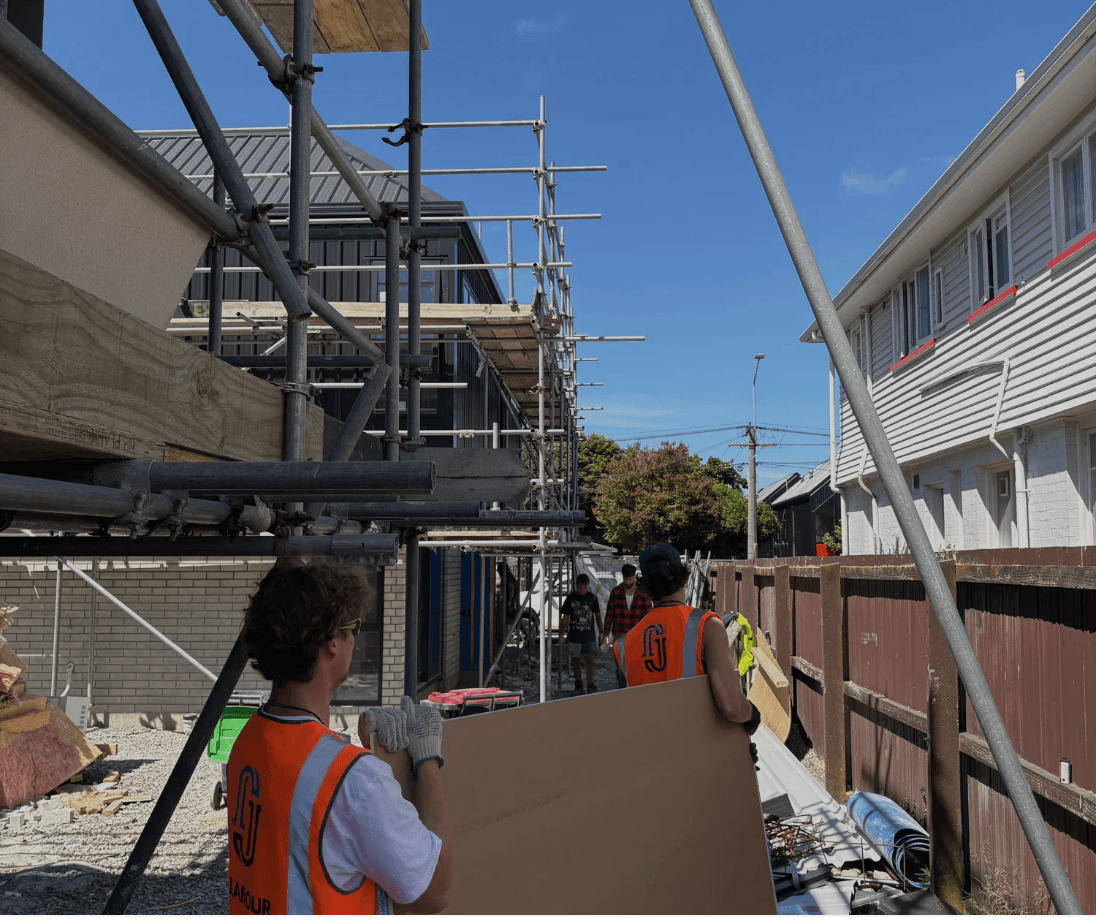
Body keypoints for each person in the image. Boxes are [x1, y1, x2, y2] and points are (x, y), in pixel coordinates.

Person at [227, 560, 453, 915]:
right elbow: (433, 894)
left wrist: (364, 754)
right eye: (354, 628)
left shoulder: (248, 738)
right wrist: (426, 759)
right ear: (332, 642)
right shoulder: (354, 783)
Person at [613, 543, 760, 738]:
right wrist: (751, 715)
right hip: (695, 746)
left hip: (649, 749)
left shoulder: (623, 645)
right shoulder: (707, 626)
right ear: (684, 579)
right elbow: (732, 707)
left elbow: (626, 713)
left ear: (644, 588)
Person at [558, 573, 604, 695]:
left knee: (590, 661)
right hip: (574, 636)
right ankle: (578, 684)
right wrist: (561, 634)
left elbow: (598, 616)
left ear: (587, 586)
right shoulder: (570, 599)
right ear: (576, 585)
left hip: (589, 637)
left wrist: (601, 631)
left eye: (584, 588)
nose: (582, 590)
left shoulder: (592, 598)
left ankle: (591, 684)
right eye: (579, 588)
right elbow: (565, 618)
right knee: (576, 661)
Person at [602, 563, 650, 647]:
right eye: (625, 579)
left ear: (634, 576)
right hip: (619, 633)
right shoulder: (616, 592)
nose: (627, 582)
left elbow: (648, 614)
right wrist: (606, 634)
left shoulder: (642, 593)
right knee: (619, 659)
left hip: (637, 633)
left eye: (630, 579)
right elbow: (609, 614)